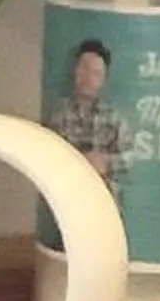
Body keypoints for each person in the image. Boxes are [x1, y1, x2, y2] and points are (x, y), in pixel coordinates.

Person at [50, 38, 131, 201]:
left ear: (103, 79)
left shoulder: (114, 117)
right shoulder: (60, 114)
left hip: (104, 199)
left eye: (96, 73)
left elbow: (128, 156)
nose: (88, 77)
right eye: (84, 69)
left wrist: (106, 162)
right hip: (68, 198)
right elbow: (49, 154)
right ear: (75, 71)